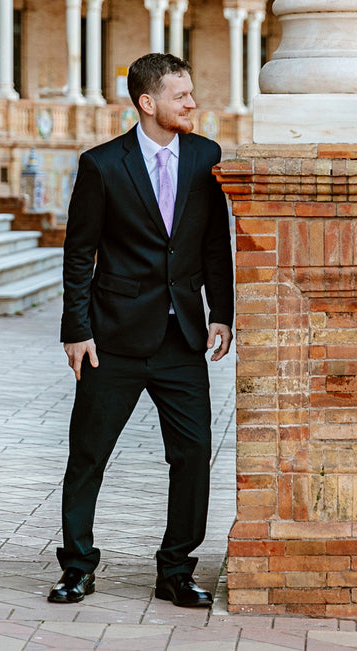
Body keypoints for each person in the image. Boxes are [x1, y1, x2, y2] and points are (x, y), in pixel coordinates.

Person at [49, 53, 234, 608]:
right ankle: (77, 566)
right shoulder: (102, 165)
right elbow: (80, 253)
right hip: (114, 339)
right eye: (181, 96)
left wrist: (221, 312)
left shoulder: (206, 156)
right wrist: (76, 329)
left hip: (183, 339)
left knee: (194, 454)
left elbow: (211, 244)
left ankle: (176, 569)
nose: (192, 104)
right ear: (147, 103)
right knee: (88, 454)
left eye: (192, 93)